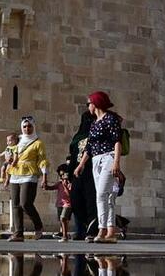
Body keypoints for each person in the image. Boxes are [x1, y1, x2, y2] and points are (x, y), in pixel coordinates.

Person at [74, 91, 124, 244]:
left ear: (95, 104)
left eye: (88, 103)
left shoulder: (110, 119)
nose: (88, 106)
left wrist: (116, 162)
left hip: (108, 157)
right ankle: (111, 231)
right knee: (107, 196)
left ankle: (101, 230)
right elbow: (89, 147)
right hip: (95, 160)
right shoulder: (94, 123)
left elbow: (117, 141)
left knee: (101, 194)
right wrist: (81, 165)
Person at [6, 116, 49, 242]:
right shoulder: (17, 140)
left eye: (29, 126)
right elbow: (9, 150)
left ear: (33, 127)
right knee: (15, 204)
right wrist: (8, 158)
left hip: (29, 174)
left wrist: (44, 176)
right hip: (15, 173)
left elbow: (42, 159)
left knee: (25, 203)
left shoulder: (37, 143)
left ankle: (38, 226)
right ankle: (18, 233)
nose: (27, 129)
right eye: (24, 126)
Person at [67, 112, 98, 241]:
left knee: (91, 202)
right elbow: (73, 157)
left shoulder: (97, 135)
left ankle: (92, 231)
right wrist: (68, 177)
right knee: (76, 202)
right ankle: (87, 226)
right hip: (77, 174)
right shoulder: (77, 138)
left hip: (92, 172)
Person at [43, 164, 73, 243]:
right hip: (59, 204)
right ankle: (63, 234)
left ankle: (65, 236)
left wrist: (65, 185)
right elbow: (51, 188)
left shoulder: (70, 183)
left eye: (63, 174)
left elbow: (69, 194)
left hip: (68, 204)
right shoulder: (59, 183)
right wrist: (45, 185)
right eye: (60, 175)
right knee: (61, 220)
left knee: (63, 218)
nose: (62, 176)